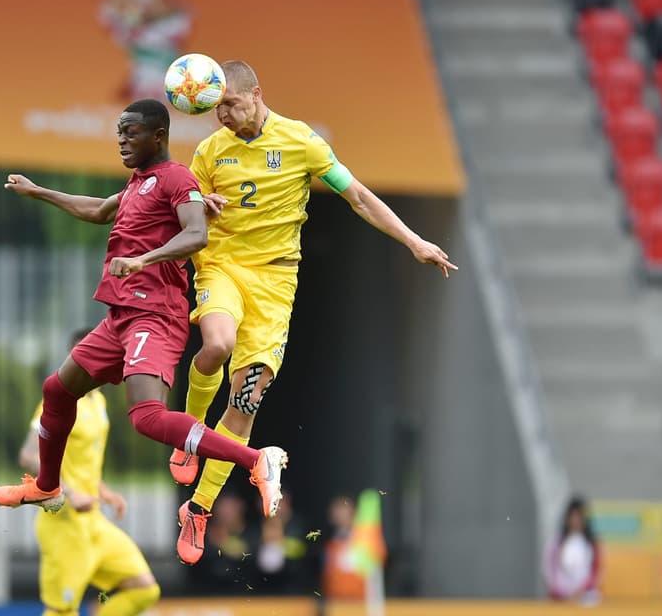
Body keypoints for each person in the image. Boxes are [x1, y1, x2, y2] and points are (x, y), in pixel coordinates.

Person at [172, 60, 456, 564]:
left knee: (246, 400)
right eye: (216, 110)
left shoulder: (302, 141)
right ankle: (188, 435)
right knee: (216, 345)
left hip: (276, 283)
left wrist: (415, 242)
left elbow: (359, 198)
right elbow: (183, 207)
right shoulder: (210, 151)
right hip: (223, 266)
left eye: (231, 106)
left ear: (256, 94)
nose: (223, 118)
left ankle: (198, 508)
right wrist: (201, 203)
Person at [0, 99, 288, 521]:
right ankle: (47, 486)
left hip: (155, 316)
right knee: (57, 390)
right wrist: (38, 191)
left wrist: (144, 260)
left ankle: (257, 460)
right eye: (119, 134)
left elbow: (197, 234)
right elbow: (97, 210)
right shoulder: (137, 182)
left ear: (158, 135)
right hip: (121, 317)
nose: (122, 141)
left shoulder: (176, 178)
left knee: (147, 418)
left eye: (130, 133)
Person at [17, 328, 159, 616]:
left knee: (145, 589)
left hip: (93, 522)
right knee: (62, 610)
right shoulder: (57, 401)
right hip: (64, 524)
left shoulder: (98, 401)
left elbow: (82, 459)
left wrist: (103, 490)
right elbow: (29, 457)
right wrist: (69, 493)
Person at [544, 496, 601, 604]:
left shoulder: (592, 543)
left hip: (585, 597)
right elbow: (549, 569)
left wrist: (582, 590)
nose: (576, 520)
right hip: (561, 597)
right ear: (567, 518)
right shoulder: (556, 542)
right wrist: (560, 592)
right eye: (573, 516)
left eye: (579, 516)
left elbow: (597, 572)